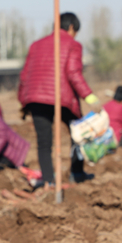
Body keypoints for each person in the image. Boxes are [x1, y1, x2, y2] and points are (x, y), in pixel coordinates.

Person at [18, 12, 100, 187]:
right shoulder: (73, 45)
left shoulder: (35, 45)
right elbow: (73, 73)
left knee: (44, 142)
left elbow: (24, 76)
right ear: (71, 27)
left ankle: (49, 181)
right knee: (79, 134)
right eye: (75, 31)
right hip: (61, 98)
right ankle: (77, 173)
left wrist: (23, 101)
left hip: (35, 98)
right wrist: (90, 97)